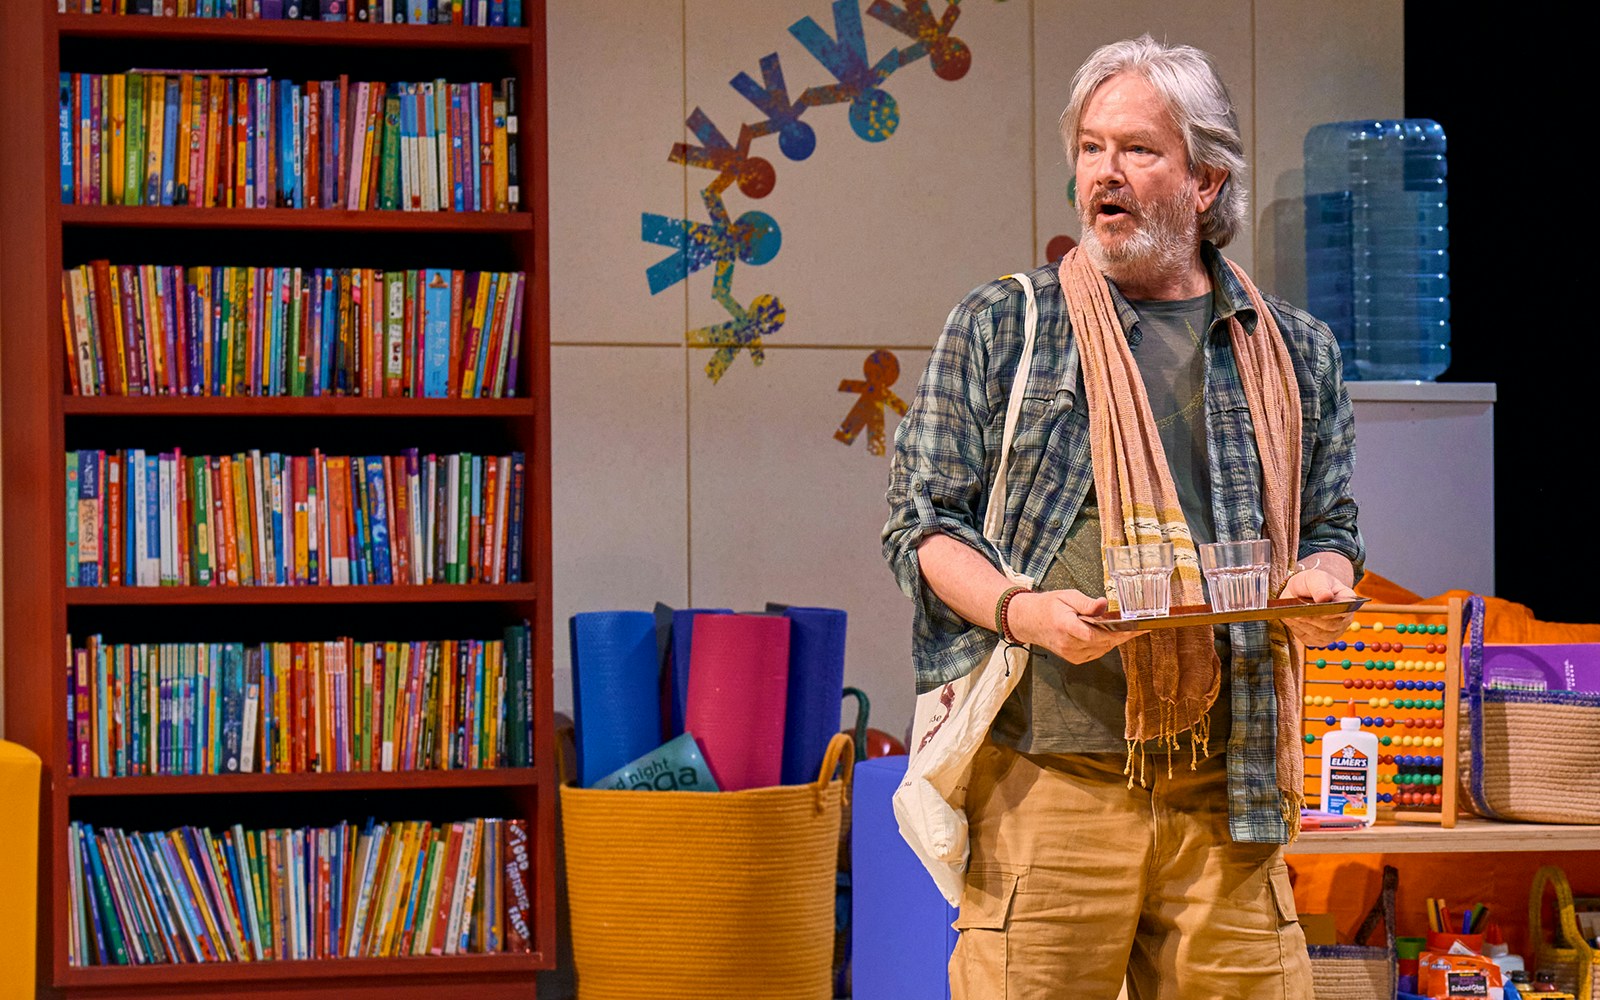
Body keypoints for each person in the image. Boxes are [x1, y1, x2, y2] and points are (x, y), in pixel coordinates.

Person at [881, 34, 1365, 1000]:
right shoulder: (1007, 325)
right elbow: (922, 522)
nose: (1106, 171)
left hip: (1228, 796)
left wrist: (1324, 576)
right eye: (1091, 148)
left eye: (1139, 149)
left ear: (1205, 181)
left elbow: (1331, 522)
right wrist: (1024, 612)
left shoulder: (1295, 350)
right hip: (1051, 784)